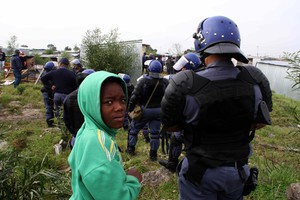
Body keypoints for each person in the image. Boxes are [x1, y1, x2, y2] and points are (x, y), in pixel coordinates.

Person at [161, 15, 273, 199]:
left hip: (199, 172)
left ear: (201, 41)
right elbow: (261, 121)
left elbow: (170, 125)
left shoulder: (186, 83)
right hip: (237, 171)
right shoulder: (254, 79)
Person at [68, 71, 142, 199]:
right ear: (92, 104)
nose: (119, 107)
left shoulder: (87, 129)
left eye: (123, 100)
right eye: (109, 102)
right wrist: (133, 181)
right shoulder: (98, 143)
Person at [159, 52, 203, 172]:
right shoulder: (196, 78)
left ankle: (175, 164)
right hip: (194, 120)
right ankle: (174, 163)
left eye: (183, 66)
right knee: (177, 138)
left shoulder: (190, 82)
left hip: (192, 122)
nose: (181, 69)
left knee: (178, 138)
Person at [126, 60, 169, 161]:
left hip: (145, 110)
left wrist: (130, 109)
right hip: (159, 111)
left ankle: (130, 149)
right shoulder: (165, 82)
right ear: (161, 70)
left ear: (149, 68)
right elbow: (169, 97)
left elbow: (134, 96)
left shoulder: (143, 81)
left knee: (133, 130)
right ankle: (153, 155)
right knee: (155, 134)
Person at [63, 69, 95, 149]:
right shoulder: (95, 98)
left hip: (76, 137)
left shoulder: (69, 97)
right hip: (94, 139)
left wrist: (73, 132)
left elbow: (66, 119)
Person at [40, 61, 56, 127]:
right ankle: (50, 122)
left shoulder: (44, 74)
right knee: (49, 107)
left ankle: (50, 121)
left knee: (49, 107)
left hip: (46, 92)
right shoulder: (49, 75)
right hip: (47, 93)